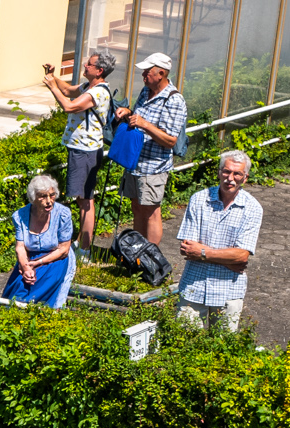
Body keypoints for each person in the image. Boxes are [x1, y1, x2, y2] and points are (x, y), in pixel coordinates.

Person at [176, 149, 262, 333]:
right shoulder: (199, 199)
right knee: (184, 343)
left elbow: (242, 256)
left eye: (237, 174)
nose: (230, 178)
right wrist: (228, 259)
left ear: (245, 178)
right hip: (194, 286)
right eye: (226, 171)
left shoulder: (253, 208)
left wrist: (203, 252)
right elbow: (187, 249)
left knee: (223, 347)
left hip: (229, 290)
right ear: (219, 172)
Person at [112, 51, 187, 248]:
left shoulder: (174, 100)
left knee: (151, 211)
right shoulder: (146, 91)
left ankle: (151, 255)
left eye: (147, 72)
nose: (143, 75)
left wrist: (144, 124)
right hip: (135, 161)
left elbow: (170, 140)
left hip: (153, 166)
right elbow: (138, 115)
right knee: (136, 207)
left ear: (161, 74)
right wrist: (128, 112)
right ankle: (137, 250)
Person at [43, 50, 114, 253]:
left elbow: (69, 106)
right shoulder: (87, 87)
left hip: (86, 151)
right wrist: (53, 77)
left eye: (89, 64)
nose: (85, 65)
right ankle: (82, 243)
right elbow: (67, 90)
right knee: (83, 198)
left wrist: (51, 86)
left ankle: (84, 249)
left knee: (85, 200)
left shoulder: (97, 92)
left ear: (99, 71)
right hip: (82, 149)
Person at [2, 175, 74, 308]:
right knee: (19, 287)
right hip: (30, 258)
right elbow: (20, 247)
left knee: (41, 290)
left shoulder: (63, 214)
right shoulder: (20, 216)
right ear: (33, 198)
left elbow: (64, 249)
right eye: (43, 196)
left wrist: (37, 263)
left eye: (52, 195)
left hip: (56, 258)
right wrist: (25, 267)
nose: (49, 201)